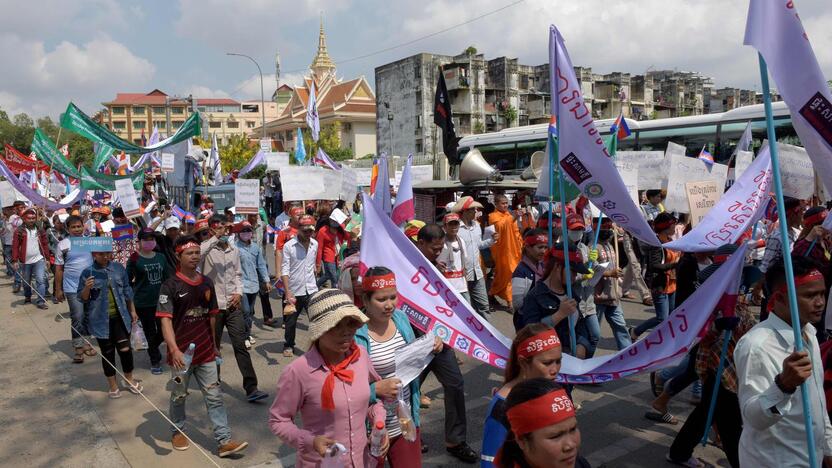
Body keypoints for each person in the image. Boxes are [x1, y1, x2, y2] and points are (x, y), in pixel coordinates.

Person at [268, 288, 387, 467]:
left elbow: (373, 399)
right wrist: (310, 441)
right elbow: (279, 420)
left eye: (351, 324)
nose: (346, 332)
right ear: (319, 330)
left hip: (362, 461)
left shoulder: (361, 356)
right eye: (336, 325)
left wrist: (379, 422)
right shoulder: (298, 371)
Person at [735, 255, 832, 467]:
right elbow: (753, 418)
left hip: (810, 457)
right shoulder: (757, 346)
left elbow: (818, 402)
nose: (820, 303)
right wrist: (783, 385)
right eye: (810, 295)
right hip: (775, 461)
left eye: (822, 294)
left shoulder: (810, 333)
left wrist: (827, 447)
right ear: (779, 298)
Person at [157, 235, 249, 457]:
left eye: (197, 252)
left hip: (206, 352)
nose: (195, 257)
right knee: (179, 394)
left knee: (214, 396)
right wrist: (174, 349)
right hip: (181, 358)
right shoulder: (170, 286)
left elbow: (213, 317)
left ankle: (223, 441)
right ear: (179, 256)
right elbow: (165, 320)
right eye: (189, 253)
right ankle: (178, 430)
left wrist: (214, 346)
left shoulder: (207, 283)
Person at [666, 257, 757, 468]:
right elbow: (698, 335)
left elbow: (749, 329)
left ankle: (679, 452)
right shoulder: (708, 304)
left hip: (733, 368)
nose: (740, 280)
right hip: (717, 368)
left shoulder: (737, 302)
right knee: (730, 423)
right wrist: (718, 325)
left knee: (707, 412)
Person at [355, 267, 440, 467]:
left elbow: (411, 356)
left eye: (393, 297)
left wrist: (433, 345)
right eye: (381, 299)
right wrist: (375, 390)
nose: (389, 305)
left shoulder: (401, 318)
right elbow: (344, 389)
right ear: (365, 301)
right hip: (371, 428)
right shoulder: (355, 333)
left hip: (406, 420)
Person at [415, 223, 479, 463]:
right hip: (415, 343)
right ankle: (410, 436)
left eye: (440, 248)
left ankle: (455, 440)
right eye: (434, 248)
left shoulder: (436, 268)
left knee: (455, 385)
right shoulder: (406, 269)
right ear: (420, 243)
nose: (438, 252)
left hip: (441, 343)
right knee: (408, 392)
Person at [201, 216, 268, 402]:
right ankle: (214, 383)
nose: (224, 231)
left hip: (232, 305)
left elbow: (238, 274)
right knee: (213, 348)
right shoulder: (207, 249)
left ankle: (251, 388)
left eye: (225, 228)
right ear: (212, 230)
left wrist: (239, 292)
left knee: (241, 346)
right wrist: (214, 237)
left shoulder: (234, 250)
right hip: (213, 307)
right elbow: (199, 254)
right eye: (219, 228)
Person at [482, 324, 563, 467]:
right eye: (547, 363)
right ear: (523, 363)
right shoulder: (502, 408)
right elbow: (490, 463)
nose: (555, 370)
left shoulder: (550, 391)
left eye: (558, 361)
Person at [77, 241, 143, 398]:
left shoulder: (118, 268)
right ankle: (113, 386)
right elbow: (83, 298)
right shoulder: (87, 272)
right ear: (94, 255)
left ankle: (129, 379)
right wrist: (87, 287)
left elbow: (127, 290)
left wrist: (132, 310)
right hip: (100, 321)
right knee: (108, 353)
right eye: (102, 254)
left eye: (108, 253)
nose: (106, 256)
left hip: (121, 317)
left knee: (125, 350)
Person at [495, 378, 591, 468]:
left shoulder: (580, 464)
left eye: (573, 429)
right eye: (555, 436)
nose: (570, 445)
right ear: (522, 441)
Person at [517, 243, 592, 357]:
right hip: (547, 362)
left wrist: (582, 345)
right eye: (572, 271)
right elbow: (529, 333)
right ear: (557, 267)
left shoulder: (571, 293)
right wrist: (559, 314)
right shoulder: (535, 296)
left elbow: (581, 326)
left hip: (573, 361)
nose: (575, 275)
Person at [127, 228, 172, 374]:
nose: (149, 242)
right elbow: (127, 281)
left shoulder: (160, 257)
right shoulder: (134, 258)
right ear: (139, 242)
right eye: (145, 239)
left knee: (163, 331)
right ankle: (155, 361)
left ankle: (152, 347)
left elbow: (168, 279)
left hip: (162, 301)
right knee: (150, 332)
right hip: (143, 302)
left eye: (151, 238)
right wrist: (131, 306)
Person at [630, 212, 680, 340]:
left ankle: (664, 342)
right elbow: (654, 266)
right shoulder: (656, 244)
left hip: (672, 285)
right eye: (673, 225)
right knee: (662, 318)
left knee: (670, 317)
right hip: (660, 285)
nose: (675, 228)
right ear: (666, 227)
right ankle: (636, 331)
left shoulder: (671, 241)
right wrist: (674, 265)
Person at [54, 215, 96, 363]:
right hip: (71, 287)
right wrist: (58, 290)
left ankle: (87, 343)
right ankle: (78, 348)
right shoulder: (63, 245)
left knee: (89, 316)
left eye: (79, 226)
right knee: (77, 316)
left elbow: (100, 259)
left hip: (90, 285)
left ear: (83, 226)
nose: (77, 229)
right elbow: (59, 269)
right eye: (73, 227)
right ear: (68, 229)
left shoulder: (90, 242)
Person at [281, 214, 320, 357]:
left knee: (316, 320)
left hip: (311, 289)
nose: (308, 234)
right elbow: (285, 270)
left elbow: (312, 265)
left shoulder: (315, 244)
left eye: (310, 231)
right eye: (305, 231)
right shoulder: (289, 246)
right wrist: (287, 292)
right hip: (294, 290)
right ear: (298, 229)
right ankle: (289, 345)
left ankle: (318, 346)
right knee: (291, 322)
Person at [454, 196, 498, 319]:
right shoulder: (455, 227)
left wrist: (491, 241)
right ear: (465, 211)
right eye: (473, 209)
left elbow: (479, 245)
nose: (476, 211)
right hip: (461, 274)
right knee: (466, 308)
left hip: (477, 272)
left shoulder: (477, 225)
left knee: (484, 306)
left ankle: (488, 334)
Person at [593, 220, 632, 351]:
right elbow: (590, 273)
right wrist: (609, 273)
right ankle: (587, 360)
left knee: (621, 327)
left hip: (613, 295)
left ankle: (628, 355)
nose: (607, 230)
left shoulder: (610, 245)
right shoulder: (593, 247)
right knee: (593, 333)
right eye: (603, 227)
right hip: (598, 297)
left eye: (609, 227)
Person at [235, 221, 271, 345]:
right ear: (238, 233)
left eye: (248, 230)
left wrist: (266, 280)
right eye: (243, 231)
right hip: (241, 285)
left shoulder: (256, 248)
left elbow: (261, 265)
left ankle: (247, 333)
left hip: (254, 284)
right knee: (245, 311)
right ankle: (245, 337)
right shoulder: (234, 248)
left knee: (250, 312)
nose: (246, 233)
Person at [489, 194, 523, 310]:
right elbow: (500, 227)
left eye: (506, 203)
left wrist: (520, 243)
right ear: (496, 204)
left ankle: (492, 293)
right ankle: (510, 302)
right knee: (509, 273)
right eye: (502, 203)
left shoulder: (509, 214)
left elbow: (516, 231)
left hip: (514, 250)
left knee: (504, 275)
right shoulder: (493, 216)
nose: (505, 205)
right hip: (502, 251)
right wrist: (512, 218)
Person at [12, 208, 51, 309]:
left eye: (33, 218)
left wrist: (47, 258)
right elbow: (15, 246)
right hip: (25, 261)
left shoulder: (40, 229)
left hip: (39, 259)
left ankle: (40, 301)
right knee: (26, 281)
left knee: (40, 280)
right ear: (24, 219)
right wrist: (15, 260)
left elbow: (45, 244)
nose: (31, 220)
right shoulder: (19, 231)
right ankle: (28, 297)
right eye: (29, 218)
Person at [511, 229, 549, 313]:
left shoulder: (543, 266)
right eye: (540, 247)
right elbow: (517, 304)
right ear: (528, 247)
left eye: (545, 247)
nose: (543, 251)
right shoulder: (521, 271)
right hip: (527, 320)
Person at [438, 212, 470, 302]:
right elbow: (440, 265)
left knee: (467, 312)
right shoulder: (442, 244)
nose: (453, 227)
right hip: (448, 287)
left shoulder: (462, 241)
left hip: (462, 287)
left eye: (456, 224)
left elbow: (464, 264)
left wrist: (466, 282)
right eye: (450, 224)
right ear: (445, 227)